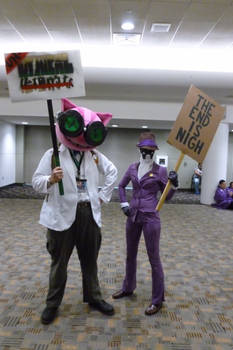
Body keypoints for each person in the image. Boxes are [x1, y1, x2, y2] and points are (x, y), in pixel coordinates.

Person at [32, 98, 118, 324]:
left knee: (90, 260)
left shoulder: (94, 155)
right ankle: (52, 304)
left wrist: (102, 196)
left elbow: (113, 172)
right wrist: (50, 179)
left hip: (88, 214)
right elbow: (36, 182)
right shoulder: (53, 154)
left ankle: (93, 297)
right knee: (59, 262)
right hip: (61, 215)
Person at [112, 131, 178, 316]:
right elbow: (121, 186)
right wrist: (124, 203)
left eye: (151, 151)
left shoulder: (160, 170)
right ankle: (128, 287)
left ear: (154, 151)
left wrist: (173, 184)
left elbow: (168, 197)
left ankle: (157, 300)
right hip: (133, 215)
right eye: (144, 150)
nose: (147, 154)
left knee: (154, 258)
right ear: (140, 150)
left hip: (151, 216)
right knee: (130, 254)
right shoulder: (132, 168)